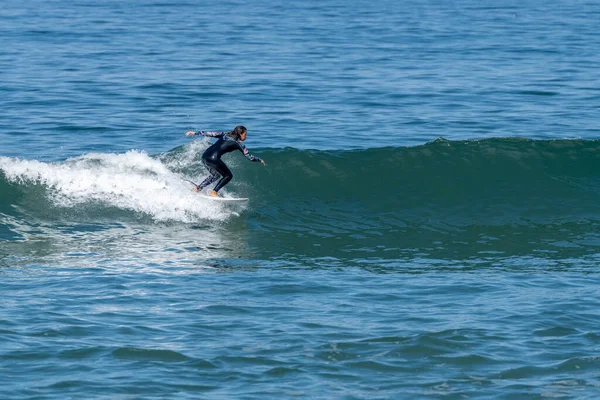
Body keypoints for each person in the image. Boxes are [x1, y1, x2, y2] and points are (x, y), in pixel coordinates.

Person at [185, 125, 266, 197]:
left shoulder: (225, 134)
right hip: (214, 159)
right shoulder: (239, 143)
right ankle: (214, 192)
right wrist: (259, 159)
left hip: (205, 156)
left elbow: (211, 134)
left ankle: (198, 189)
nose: (246, 136)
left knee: (216, 175)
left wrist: (195, 133)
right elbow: (249, 157)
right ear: (240, 134)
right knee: (228, 176)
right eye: (245, 134)